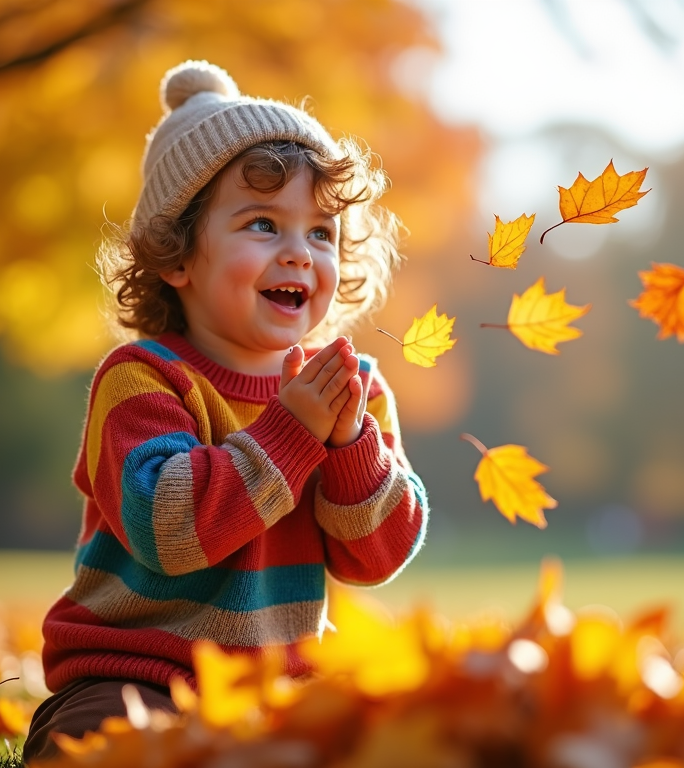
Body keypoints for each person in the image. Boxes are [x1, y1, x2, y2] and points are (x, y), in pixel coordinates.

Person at [23, 60, 428, 763]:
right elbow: (170, 530)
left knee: (394, 735)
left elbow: (379, 556)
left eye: (323, 232)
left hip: (281, 685)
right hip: (138, 674)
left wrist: (351, 440)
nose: (299, 253)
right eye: (264, 224)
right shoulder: (143, 379)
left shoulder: (350, 388)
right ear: (178, 257)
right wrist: (292, 433)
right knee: (97, 747)